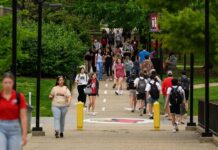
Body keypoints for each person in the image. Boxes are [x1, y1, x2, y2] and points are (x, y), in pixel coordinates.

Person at [0, 73, 27, 150]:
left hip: (14, 128)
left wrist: (24, 135)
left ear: (13, 83)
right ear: (2, 83)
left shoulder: (19, 96)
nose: (7, 85)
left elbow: (23, 117)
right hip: (1, 127)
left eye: (10, 82)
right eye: (5, 82)